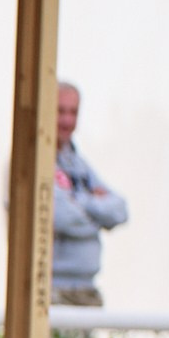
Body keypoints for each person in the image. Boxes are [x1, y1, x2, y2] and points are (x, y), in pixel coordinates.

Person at [52, 82, 129, 307]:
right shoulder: (33, 160)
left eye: (73, 112)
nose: (67, 121)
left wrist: (78, 201)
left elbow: (120, 211)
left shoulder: (78, 163)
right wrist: (96, 208)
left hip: (86, 290)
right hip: (52, 291)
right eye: (60, 111)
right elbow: (61, 217)